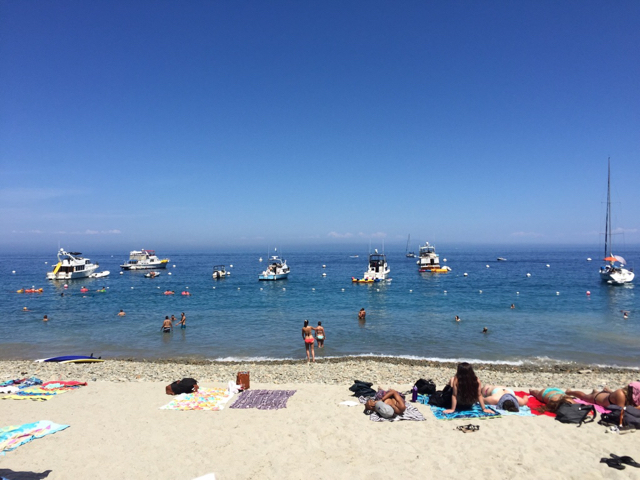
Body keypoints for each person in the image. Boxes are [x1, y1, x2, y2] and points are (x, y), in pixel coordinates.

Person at [565, 384, 640, 409]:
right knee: (584, 396)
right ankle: (569, 392)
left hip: (608, 396)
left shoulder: (628, 396)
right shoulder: (620, 394)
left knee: (611, 395)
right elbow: (622, 411)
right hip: (597, 398)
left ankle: (605, 390)